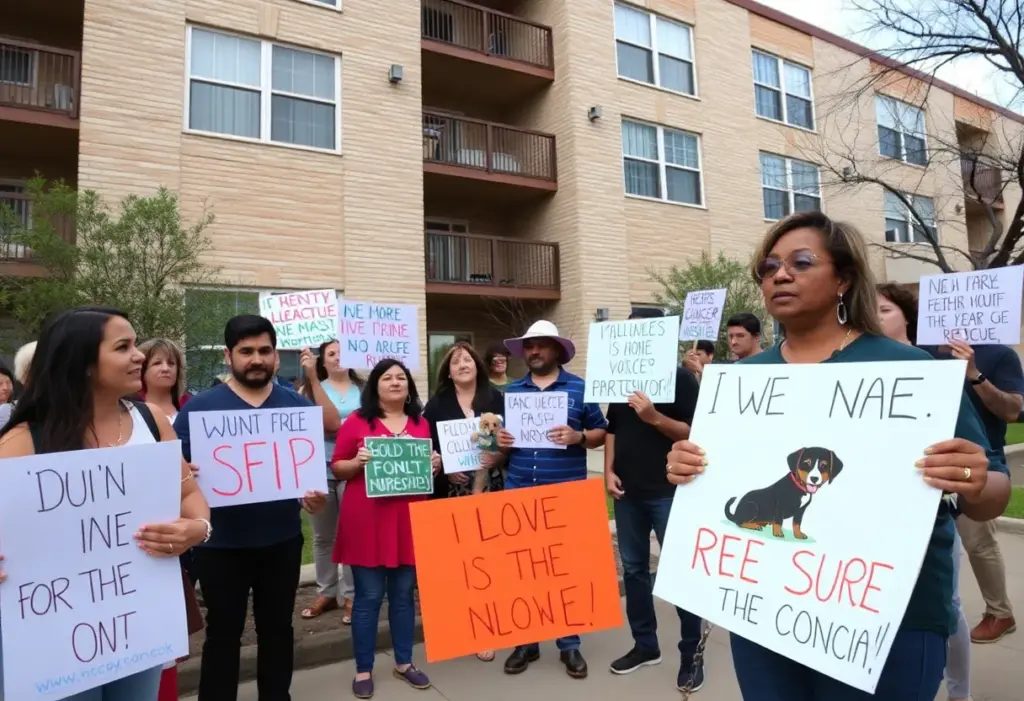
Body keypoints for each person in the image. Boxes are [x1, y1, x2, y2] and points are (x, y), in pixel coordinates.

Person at [664, 211, 1009, 700]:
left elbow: (994, 493)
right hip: (762, 609)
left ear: (844, 279)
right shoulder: (739, 381)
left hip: (888, 621)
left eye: (801, 262)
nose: (780, 275)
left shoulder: (912, 370)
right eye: (769, 267)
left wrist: (972, 476)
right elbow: (715, 472)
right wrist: (687, 467)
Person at [0, 306, 213, 701]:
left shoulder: (152, 420)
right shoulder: (23, 441)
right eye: (123, 347)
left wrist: (197, 528)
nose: (139, 356)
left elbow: (188, 495)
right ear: (82, 363)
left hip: (137, 623)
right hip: (52, 639)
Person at [173, 315, 328, 701]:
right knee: (223, 633)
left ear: (275, 355)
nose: (256, 359)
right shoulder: (199, 410)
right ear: (229, 356)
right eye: (246, 351)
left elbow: (307, 476)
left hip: (282, 542)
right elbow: (174, 480)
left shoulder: (296, 407)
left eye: (264, 350)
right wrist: (185, 473)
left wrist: (314, 498)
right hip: (220, 547)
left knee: (277, 630)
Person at [496, 320, 608, 679]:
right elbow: (502, 445)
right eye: (529, 346)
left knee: (566, 572)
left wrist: (579, 437)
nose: (534, 352)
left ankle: (569, 643)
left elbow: (600, 431)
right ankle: (526, 642)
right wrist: (501, 443)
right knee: (522, 572)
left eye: (541, 345)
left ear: (556, 350)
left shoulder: (580, 388)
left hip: (566, 494)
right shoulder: (512, 391)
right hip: (519, 492)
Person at [876, 282, 971, 701]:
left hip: (935, 510)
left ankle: (959, 691)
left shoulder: (931, 368)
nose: (874, 317)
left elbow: (980, 463)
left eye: (884, 310)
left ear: (907, 318)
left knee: (947, 606)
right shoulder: (853, 367)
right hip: (880, 517)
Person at [604, 308, 706, 692]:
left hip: (669, 493)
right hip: (628, 494)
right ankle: (645, 645)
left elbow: (693, 432)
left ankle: (691, 654)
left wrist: (653, 417)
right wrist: (608, 470)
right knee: (634, 571)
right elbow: (612, 429)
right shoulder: (620, 379)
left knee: (680, 573)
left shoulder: (681, 379)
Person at [331, 358, 441, 699]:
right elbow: (337, 466)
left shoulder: (421, 423)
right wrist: (356, 462)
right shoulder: (357, 421)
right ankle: (363, 668)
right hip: (367, 521)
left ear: (409, 386)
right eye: (387, 378)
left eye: (401, 378)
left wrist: (434, 463)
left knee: (404, 596)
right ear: (375, 386)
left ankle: (404, 663)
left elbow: (426, 466)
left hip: (407, 520)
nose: (395, 382)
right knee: (368, 597)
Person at [918, 321, 1022, 644]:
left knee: (979, 544)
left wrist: (974, 374)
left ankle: (999, 612)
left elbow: (1013, 411)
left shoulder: (1000, 355)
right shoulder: (920, 354)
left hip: (976, 465)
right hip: (925, 466)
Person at [136, 338, 194, 701]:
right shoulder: (131, 413)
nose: (165, 368)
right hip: (149, 527)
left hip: (191, 520)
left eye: (171, 362)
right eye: (156, 362)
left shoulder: (192, 407)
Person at [300, 340, 363, 624]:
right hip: (318, 469)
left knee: (352, 533)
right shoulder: (308, 390)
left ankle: (351, 594)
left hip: (354, 469)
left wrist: (338, 429)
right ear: (322, 361)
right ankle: (326, 592)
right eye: (332, 353)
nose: (338, 358)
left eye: (343, 352)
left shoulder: (364, 390)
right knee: (323, 536)